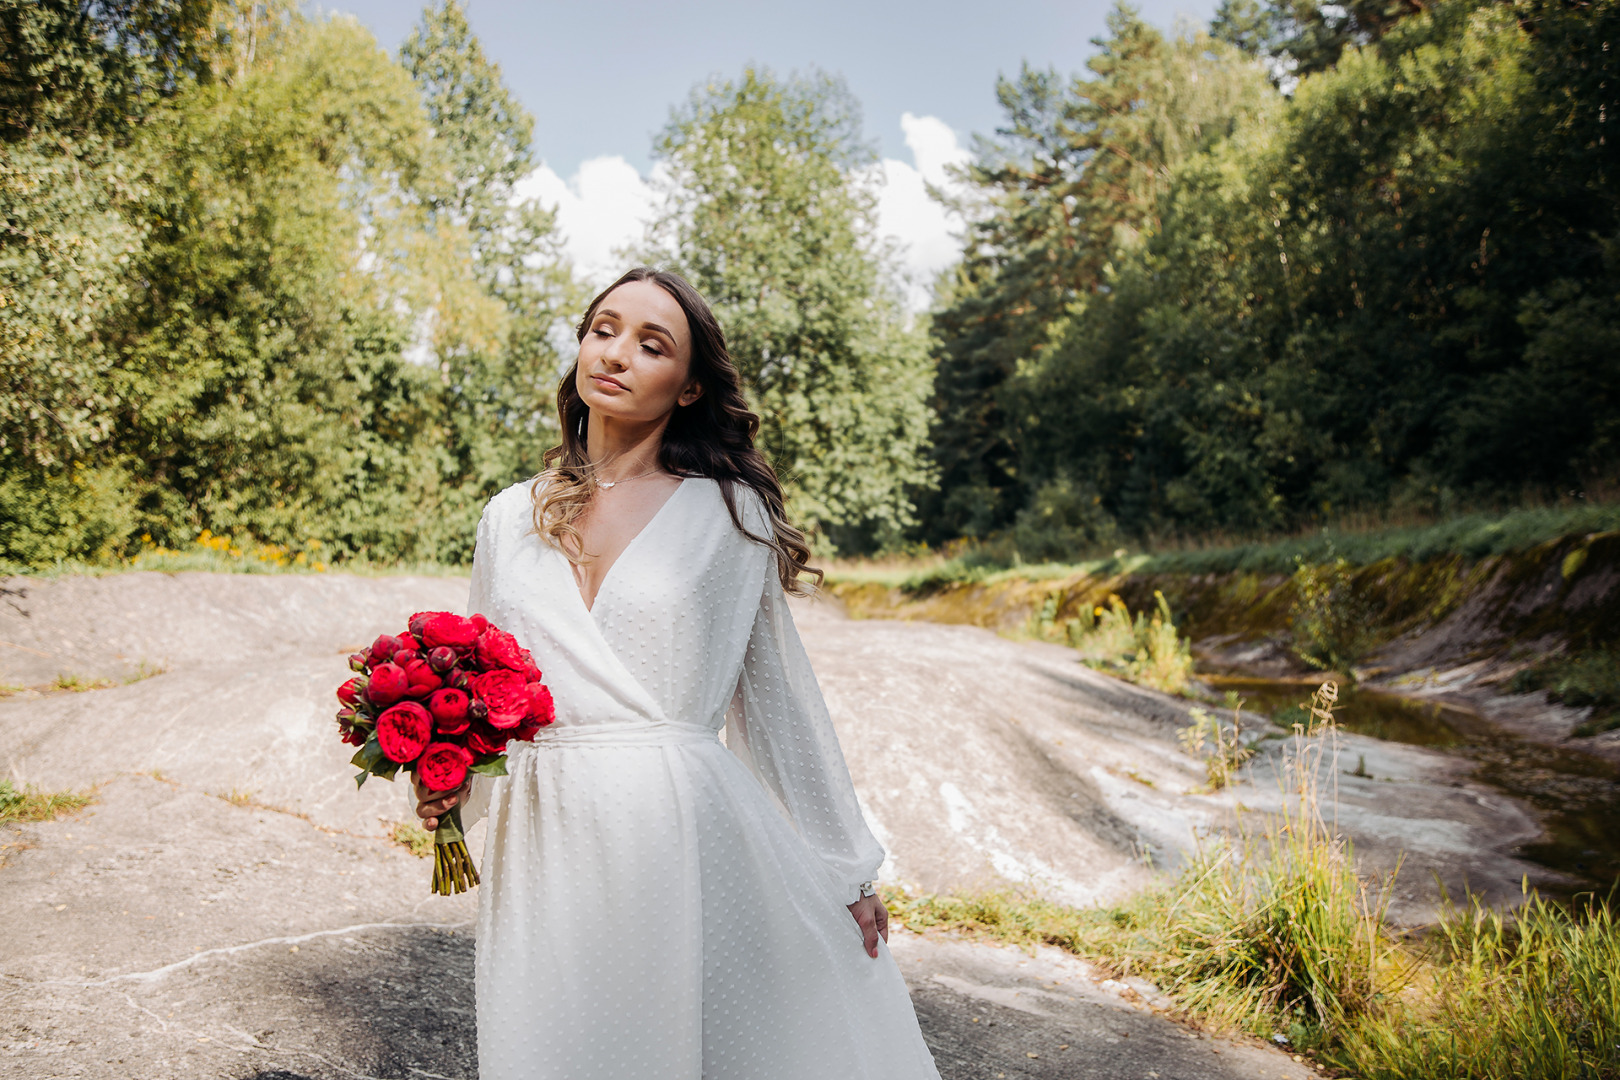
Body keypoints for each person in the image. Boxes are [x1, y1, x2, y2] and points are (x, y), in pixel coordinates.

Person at [413, 267, 941, 1079]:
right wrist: (449, 788)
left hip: (677, 833)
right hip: (543, 829)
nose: (616, 353)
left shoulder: (727, 513)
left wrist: (845, 866)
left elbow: (777, 696)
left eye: (650, 344)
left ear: (690, 387)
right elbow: (486, 691)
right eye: (603, 329)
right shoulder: (506, 516)